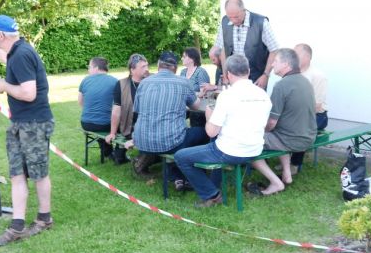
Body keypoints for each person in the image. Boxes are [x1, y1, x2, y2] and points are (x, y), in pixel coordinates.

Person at [0, 15, 55, 246]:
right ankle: (17, 226)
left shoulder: (21, 54)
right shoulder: (16, 52)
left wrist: (3, 86)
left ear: (2, 35)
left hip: (34, 124)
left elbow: (29, 93)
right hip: (21, 123)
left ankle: (44, 219)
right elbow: (7, 60)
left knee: (38, 173)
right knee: (17, 174)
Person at [174, 55, 272, 207]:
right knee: (218, 140)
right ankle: (214, 183)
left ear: (228, 74)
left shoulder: (226, 96)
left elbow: (211, 132)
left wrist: (209, 116)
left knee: (181, 156)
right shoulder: (263, 94)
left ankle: (211, 194)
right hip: (255, 148)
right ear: (248, 71)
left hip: (230, 151)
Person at [131, 51, 208, 189]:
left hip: (142, 140)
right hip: (170, 142)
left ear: (158, 65)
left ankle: (175, 175)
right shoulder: (183, 82)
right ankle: (193, 174)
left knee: (176, 134)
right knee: (204, 133)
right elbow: (196, 106)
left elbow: (137, 109)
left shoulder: (144, 83)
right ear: (176, 68)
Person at [249, 48, 317, 196]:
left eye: (275, 61)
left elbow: (271, 123)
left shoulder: (281, 85)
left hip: (292, 140)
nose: (272, 64)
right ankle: (287, 174)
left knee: (248, 143)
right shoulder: (305, 81)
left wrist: (260, 131)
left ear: (286, 64)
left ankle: (276, 183)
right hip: (309, 136)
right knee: (279, 132)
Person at [215, 0, 279, 89]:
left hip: (256, 78)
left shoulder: (261, 22)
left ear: (244, 10)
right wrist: (225, 75)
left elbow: (274, 50)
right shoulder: (225, 21)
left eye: (236, 17)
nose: (233, 21)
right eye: (230, 17)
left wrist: (266, 75)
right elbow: (223, 49)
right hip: (233, 77)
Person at [104, 53, 149, 165]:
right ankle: (122, 153)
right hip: (130, 126)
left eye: (147, 65)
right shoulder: (121, 84)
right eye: (143, 67)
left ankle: (144, 160)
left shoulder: (152, 81)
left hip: (149, 125)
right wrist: (112, 133)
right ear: (132, 70)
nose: (147, 69)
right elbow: (116, 110)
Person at [78, 57, 118, 159]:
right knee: (125, 125)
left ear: (96, 68)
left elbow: (80, 102)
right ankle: (119, 154)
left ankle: (107, 152)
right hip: (104, 124)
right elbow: (120, 105)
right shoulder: (115, 81)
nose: (88, 70)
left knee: (101, 124)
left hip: (86, 123)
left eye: (89, 67)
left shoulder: (85, 80)